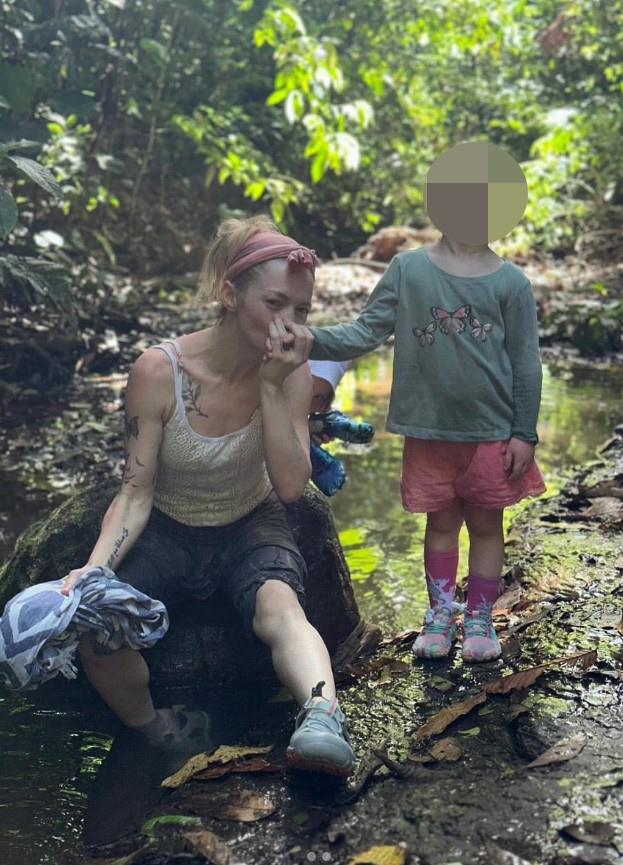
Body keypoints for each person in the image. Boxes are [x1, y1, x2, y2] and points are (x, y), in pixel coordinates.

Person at [59, 215, 356, 776]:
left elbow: (292, 487)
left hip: (250, 518)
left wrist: (273, 384)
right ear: (229, 293)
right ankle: (156, 730)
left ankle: (322, 714)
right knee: (97, 632)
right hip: (167, 524)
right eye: (274, 304)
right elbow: (134, 492)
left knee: (279, 607)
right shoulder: (158, 371)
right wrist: (92, 573)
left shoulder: (291, 372)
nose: (288, 324)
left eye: (301, 310)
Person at [290, 226, 546, 663]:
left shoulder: (511, 283)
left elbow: (526, 361)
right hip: (428, 434)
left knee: (486, 527)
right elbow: (366, 330)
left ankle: (481, 620)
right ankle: (441, 615)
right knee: (441, 525)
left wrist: (525, 432)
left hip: (492, 433)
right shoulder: (407, 269)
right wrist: (311, 340)